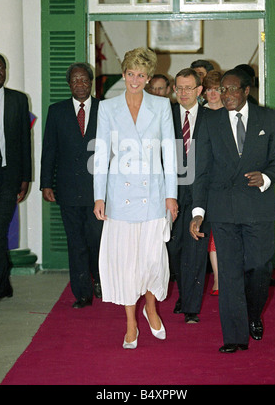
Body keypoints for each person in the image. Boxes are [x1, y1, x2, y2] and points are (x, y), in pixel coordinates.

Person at [190, 68, 275, 353]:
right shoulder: (210, 122)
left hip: (259, 207)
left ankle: (253, 313)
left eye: (233, 89)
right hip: (224, 210)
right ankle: (234, 336)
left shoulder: (268, 118)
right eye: (223, 89)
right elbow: (202, 170)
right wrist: (198, 211)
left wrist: (267, 177)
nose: (226, 94)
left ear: (247, 91)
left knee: (259, 268)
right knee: (230, 273)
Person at [93, 47, 178, 349]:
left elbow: (170, 152)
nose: (135, 79)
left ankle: (151, 307)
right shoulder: (107, 107)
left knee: (153, 260)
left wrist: (171, 195)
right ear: (125, 72)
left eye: (141, 75)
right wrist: (99, 196)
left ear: (149, 77)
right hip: (120, 195)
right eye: (131, 73)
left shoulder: (162, 106)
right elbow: (101, 154)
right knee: (128, 262)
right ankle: (131, 323)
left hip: (154, 195)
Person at [40, 62, 103, 308]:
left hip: (98, 191)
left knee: (97, 240)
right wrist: (47, 183)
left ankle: (100, 279)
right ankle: (82, 293)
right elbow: (49, 150)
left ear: (91, 82)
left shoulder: (104, 109)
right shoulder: (56, 111)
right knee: (75, 242)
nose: (80, 84)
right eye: (75, 80)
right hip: (67, 189)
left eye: (84, 80)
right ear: (69, 84)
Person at [168, 67, 211, 324]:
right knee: (173, 248)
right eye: (179, 88)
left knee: (195, 249)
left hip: (201, 191)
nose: (183, 93)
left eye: (189, 88)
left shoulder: (211, 118)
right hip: (171, 192)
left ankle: (191, 307)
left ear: (199, 90)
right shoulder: (166, 116)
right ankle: (184, 294)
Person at [0, 52, 31, 302]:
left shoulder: (18, 100)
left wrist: (26, 177)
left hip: (8, 178)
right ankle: (2, 283)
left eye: (1, 67)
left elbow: (23, 142)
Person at [202, 70, 224, 295]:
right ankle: (217, 278)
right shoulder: (200, 115)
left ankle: (222, 278)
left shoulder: (232, 113)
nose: (213, 93)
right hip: (205, 181)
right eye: (208, 89)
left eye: (217, 89)